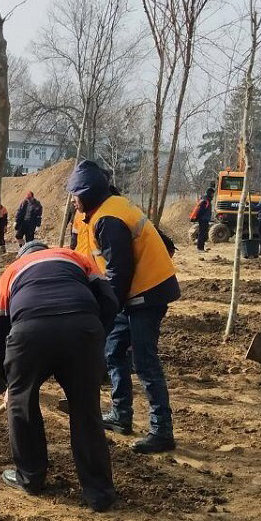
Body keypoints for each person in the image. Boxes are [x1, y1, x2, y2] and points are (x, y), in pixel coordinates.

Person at [0, 240, 119, 512]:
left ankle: (31, 477)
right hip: (82, 328)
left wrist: (7, 382)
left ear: (23, 255)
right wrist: (97, 334)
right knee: (86, 409)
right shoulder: (75, 256)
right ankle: (99, 493)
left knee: (21, 403)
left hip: (30, 333)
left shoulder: (12, 270)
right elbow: (109, 299)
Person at [67, 160, 180, 453]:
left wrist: (106, 310)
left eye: (76, 195)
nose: (73, 200)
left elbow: (120, 271)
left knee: (144, 360)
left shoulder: (110, 218)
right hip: (130, 292)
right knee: (114, 351)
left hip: (147, 292)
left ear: (88, 194)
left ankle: (162, 430)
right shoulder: (103, 210)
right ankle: (121, 415)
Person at [190, 187, 213, 252]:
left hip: (205, 219)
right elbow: (201, 211)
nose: (213, 195)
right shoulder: (205, 201)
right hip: (203, 220)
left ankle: (201, 248)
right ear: (210, 193)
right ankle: (199, 248)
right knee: (202, 233)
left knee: (203, 233)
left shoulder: (206, 200)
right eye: (212, 193)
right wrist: (196, 218)